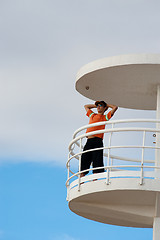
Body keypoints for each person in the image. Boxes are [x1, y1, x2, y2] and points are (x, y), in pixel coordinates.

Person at [80, 101, 118, 177]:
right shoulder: (92, 115)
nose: (98, 107)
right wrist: (96, 105)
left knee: (97, 160)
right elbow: (86, 106)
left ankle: (95, 179)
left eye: (101, 105)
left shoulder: (105, 117)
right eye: (98, 105)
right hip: (89, 141)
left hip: (98, 141)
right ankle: (81, 180)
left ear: (105, 108)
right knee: (84, 158)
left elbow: (115, 107)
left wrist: (106, 105)